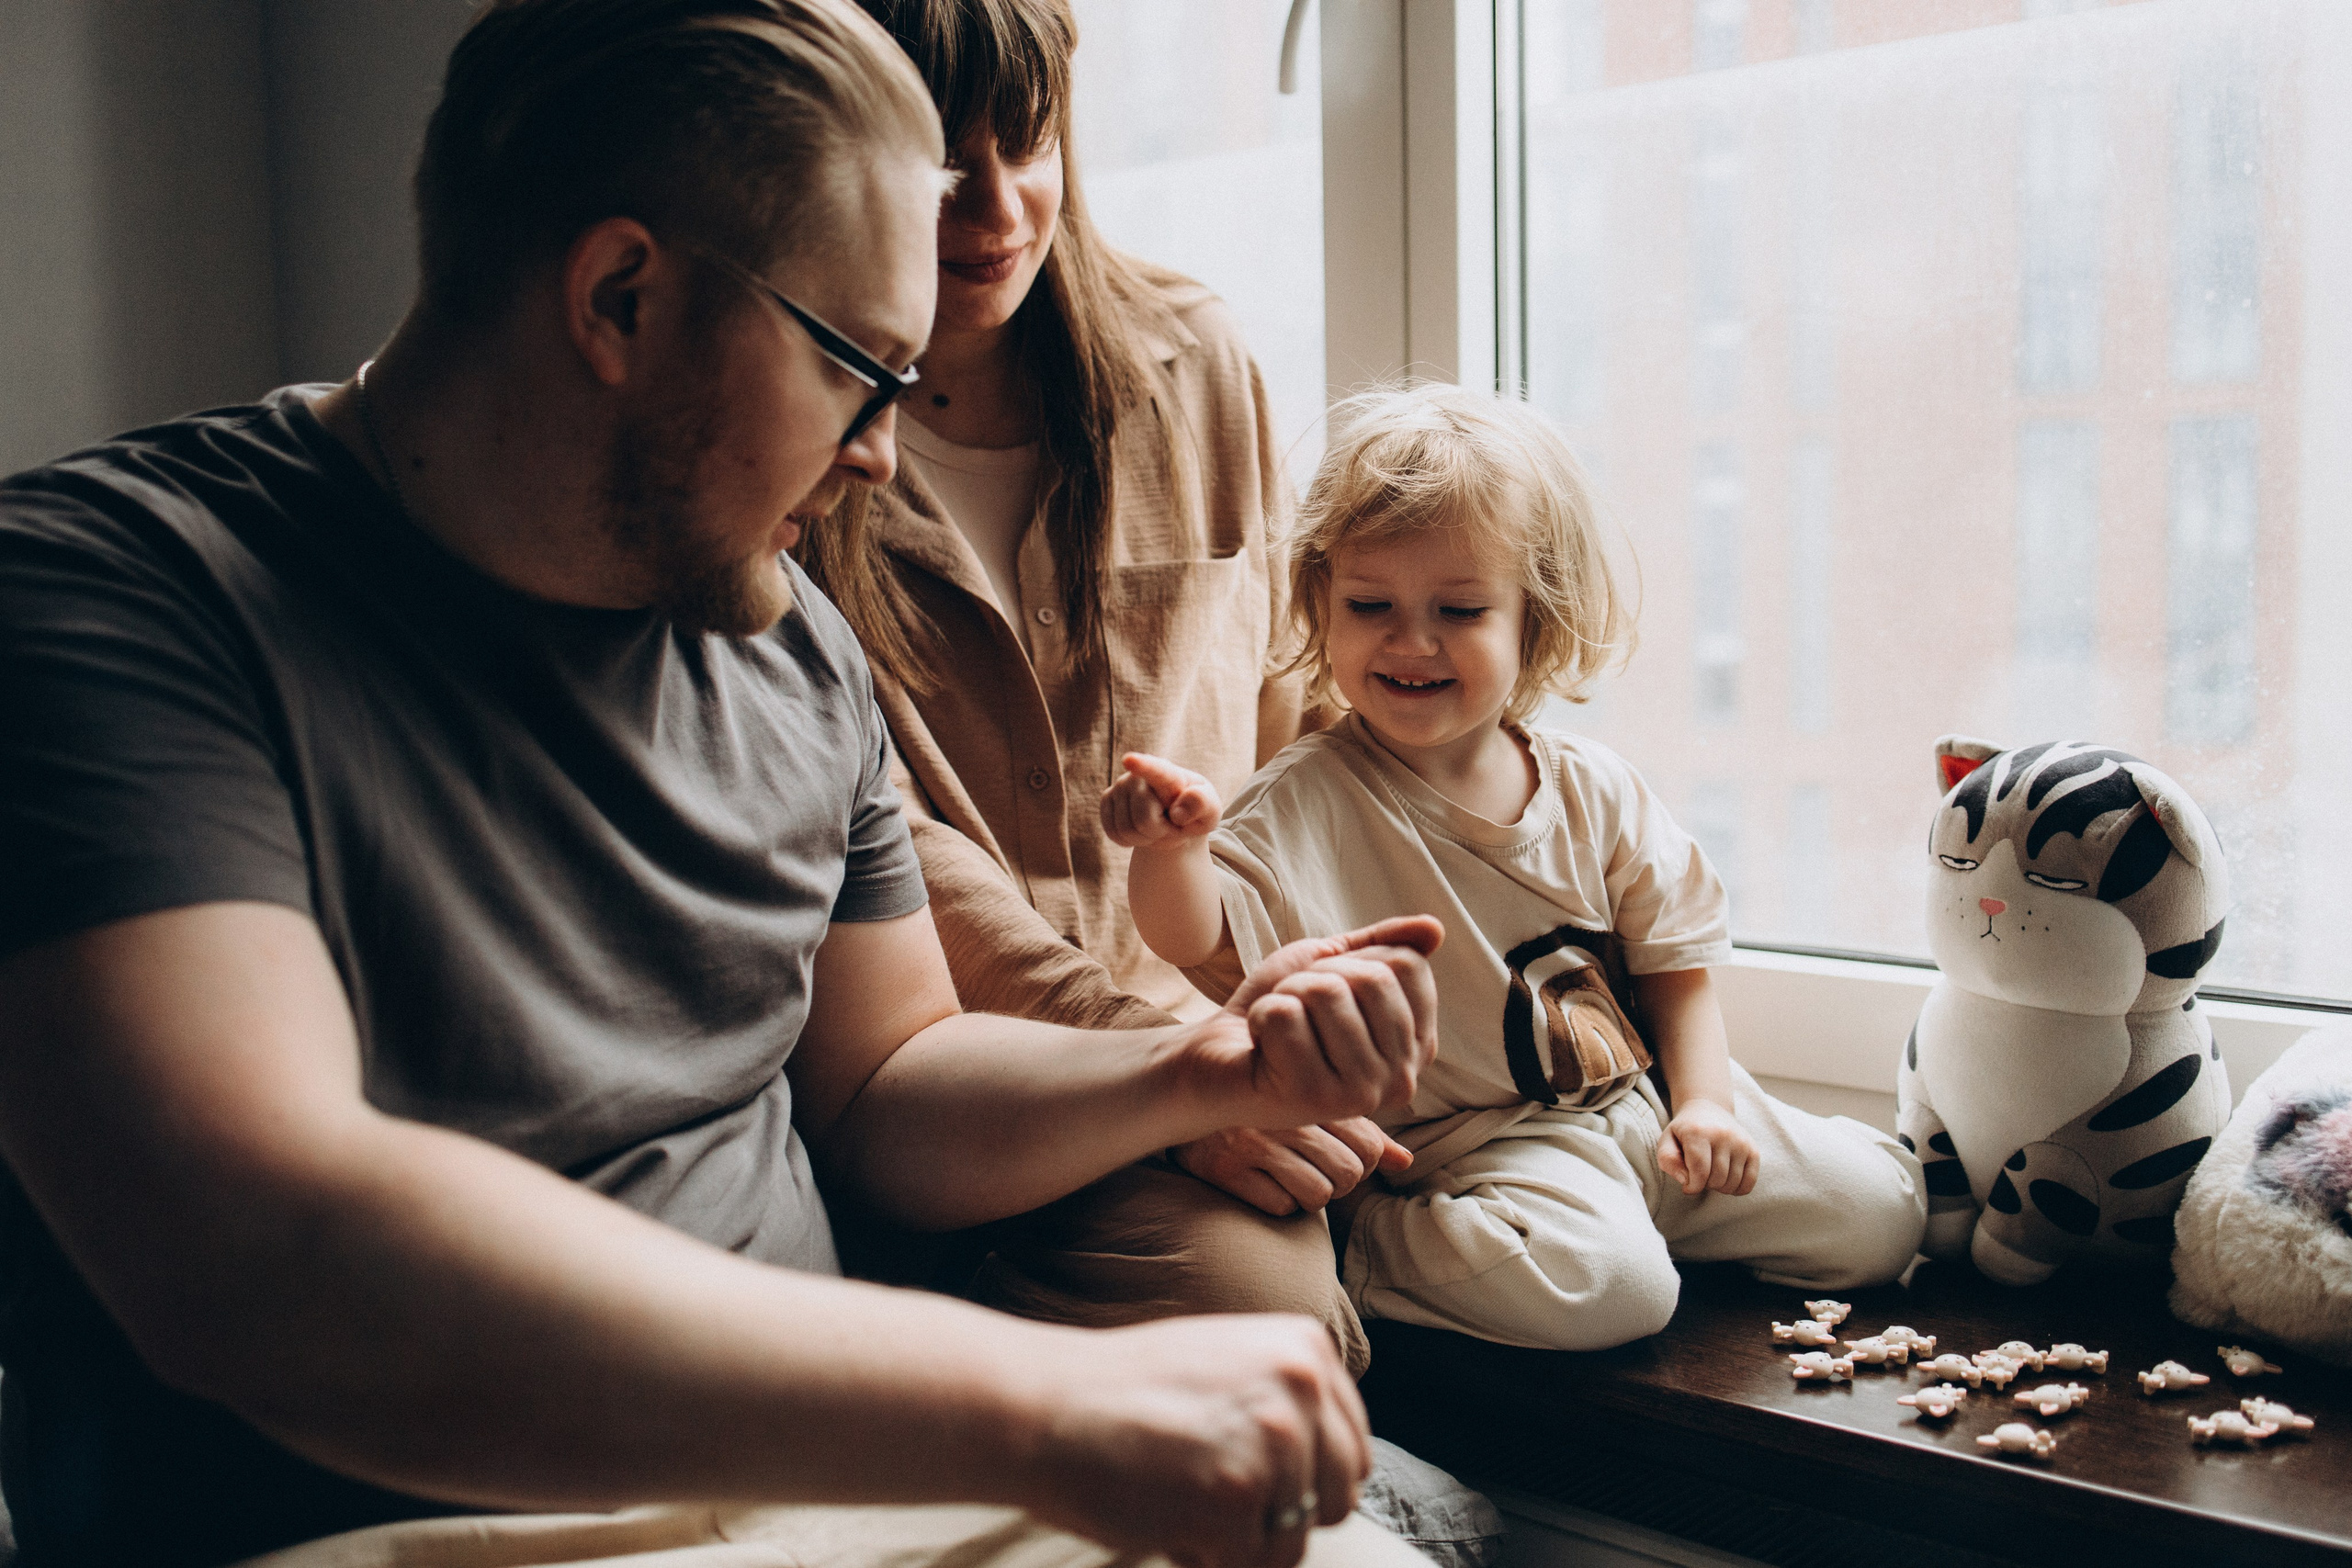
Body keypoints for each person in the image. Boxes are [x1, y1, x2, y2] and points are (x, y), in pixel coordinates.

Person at [0, 5, 1443, 1566]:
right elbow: (270, 1261)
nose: (885, 457)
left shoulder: (785, 634)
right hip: (378, 1523)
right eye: (860, 372)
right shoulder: (106, 600)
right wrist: (1044, 1403)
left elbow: (891, 1082)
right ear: (623, 296)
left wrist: (1198, 1077)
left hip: (809, 1500)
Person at [793, 0, 1396, 1369]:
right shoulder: (790, 440)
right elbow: (873, 844)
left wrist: (1288, 1015)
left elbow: (1287, 725)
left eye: (1032, 138)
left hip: (1201, 1043)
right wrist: (1182, 1076)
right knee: (1265, 1330)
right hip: (933, 1069)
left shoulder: (1199, 365)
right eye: (944, 162)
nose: (997, 208)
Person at [1102, 383, 1928, 1353]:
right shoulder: (1310, 799)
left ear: (1533, 620)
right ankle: (1362, 1238)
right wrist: (1171, 849)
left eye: (1458, 609)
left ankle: (1644, 1218)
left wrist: (1704, 1106)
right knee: (1609, 1290)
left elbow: (1676, 967)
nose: (1410, 640)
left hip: (1645, 1109)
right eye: (1370, 604)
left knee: (1880, 1214)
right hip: (1482, 1152)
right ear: (1320, 604)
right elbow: (1193, 936)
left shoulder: (1591, 786)